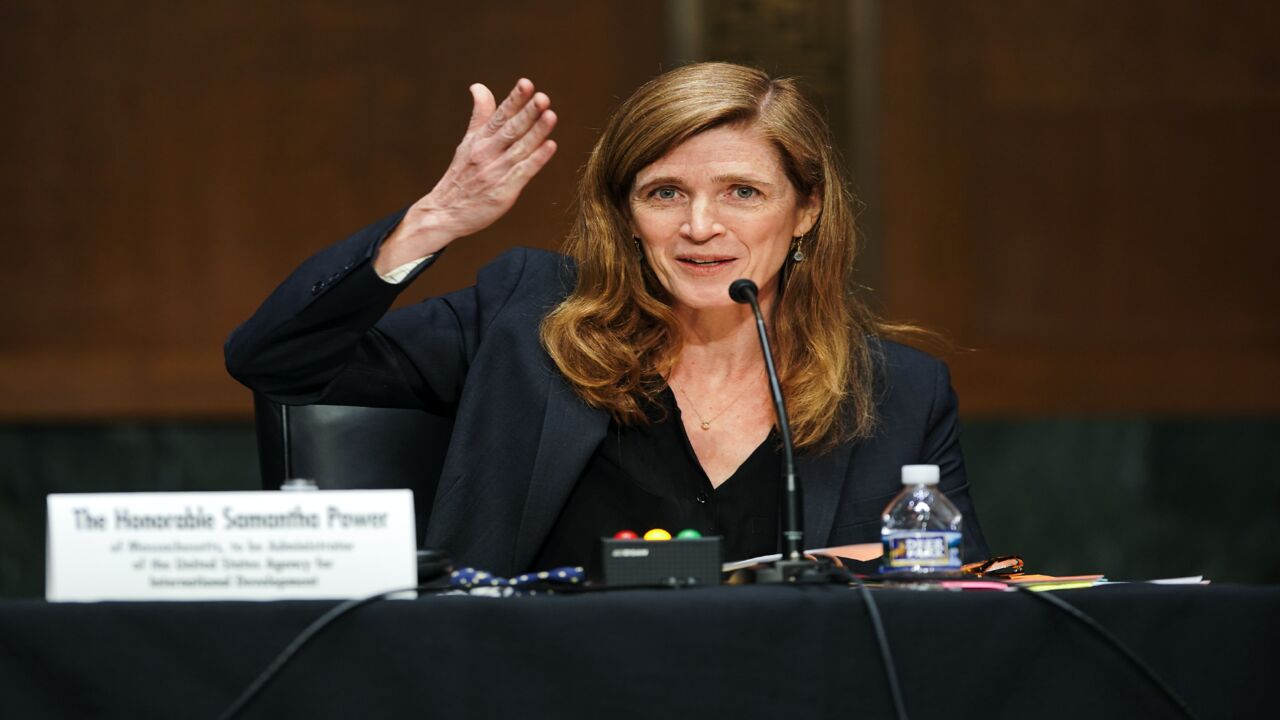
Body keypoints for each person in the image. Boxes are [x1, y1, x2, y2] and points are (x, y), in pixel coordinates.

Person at [225, 62, 989, 575]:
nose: (700, 226)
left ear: (806, 212)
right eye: (664, 193)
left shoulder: (897, 392)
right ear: (626, 214)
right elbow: (277, 360)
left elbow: (963, 601)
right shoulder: (527, 319)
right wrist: (434, 222)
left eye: (742, 193)